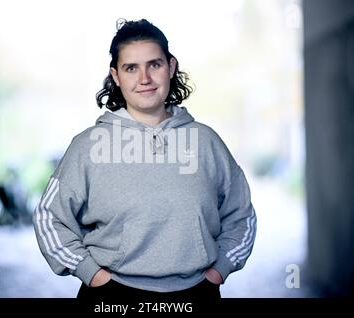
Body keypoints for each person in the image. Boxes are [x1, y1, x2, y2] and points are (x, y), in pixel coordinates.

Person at [33, 19, 256, 306]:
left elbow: (242, 215)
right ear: (115, 76)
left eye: (154, 64)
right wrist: (91, 273)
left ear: (171, 67)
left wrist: (220, 269)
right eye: (131, 68)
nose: (144, 79)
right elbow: (49, 217)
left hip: (197, 292)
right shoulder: (87, 145)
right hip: (111, 294)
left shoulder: (206, 141)